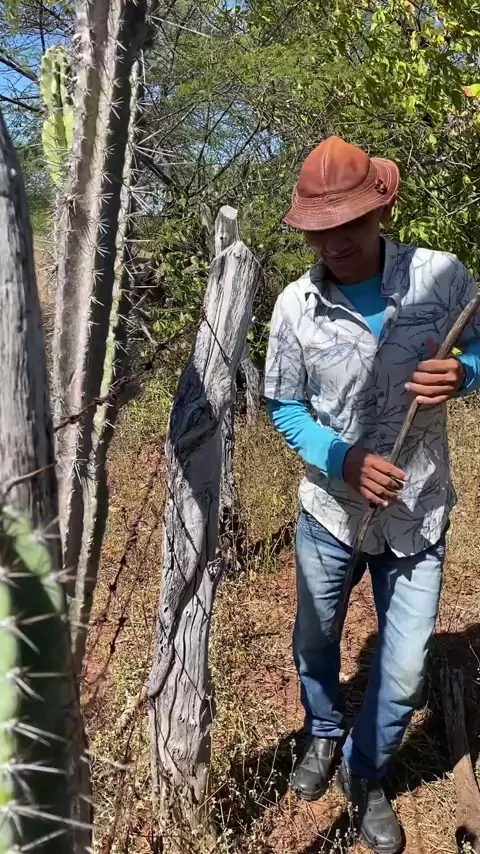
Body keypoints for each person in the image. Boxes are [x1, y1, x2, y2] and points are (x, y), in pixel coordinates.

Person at [263, 136, 480, 854]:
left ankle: (364, 772)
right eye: (318, 230)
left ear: (382, 209)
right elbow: (283, 405)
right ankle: (324, 730)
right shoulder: (295, 308)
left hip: (417, 513)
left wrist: (465, 374)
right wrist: (344, 459)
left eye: (349, 224)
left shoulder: (442, 278)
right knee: (315, 637)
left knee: (408, 666)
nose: (334, 243)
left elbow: (477, 346)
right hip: (330, 513)